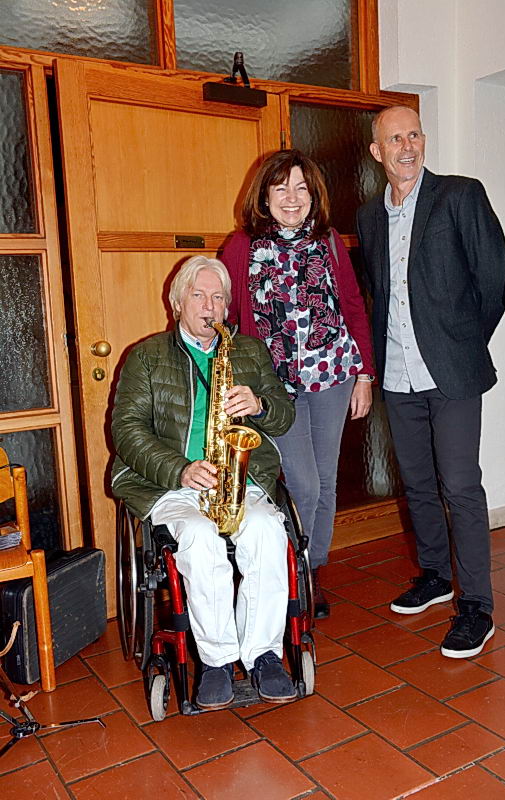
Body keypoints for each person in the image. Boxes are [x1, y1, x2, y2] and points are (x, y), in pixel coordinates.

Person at [357, 105, 505, 658]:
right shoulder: (369, 217)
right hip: (397, 374)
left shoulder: (460, 195)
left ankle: (477, 607)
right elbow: (376, 292)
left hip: (451, 374)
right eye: (395, 139)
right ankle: (436, 576)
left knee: (461, 487)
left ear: (423, 140)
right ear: (377, 152)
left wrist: (462, 343)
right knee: (418, 484)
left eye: (414, 135)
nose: (407, 147)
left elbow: (494, 278)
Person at [111, 255, 297, 709]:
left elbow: (284, 416)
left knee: (267, 531)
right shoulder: (146, 356)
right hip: (170, 483)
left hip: (239, 477)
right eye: (198, 295)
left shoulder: (248, 351)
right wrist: (180, 468)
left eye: (218, 297)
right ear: (177, 302)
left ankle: (264, 655)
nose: (209, 306)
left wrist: (259, 404)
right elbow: (127, 431)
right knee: (199, 537)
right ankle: (217, 662)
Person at [222, 149, 375, 619]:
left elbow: (352, 306)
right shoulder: (242, 245)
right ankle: (288, 570)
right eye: (281, 187)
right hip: (274, 387)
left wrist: (364, 374)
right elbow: (227, 316)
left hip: (332, 374)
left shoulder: (327, 241)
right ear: (264, 195)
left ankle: (311, 569)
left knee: (325, 479)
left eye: (302, 188)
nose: (292, 197)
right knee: (303, 484)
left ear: (313, 195)